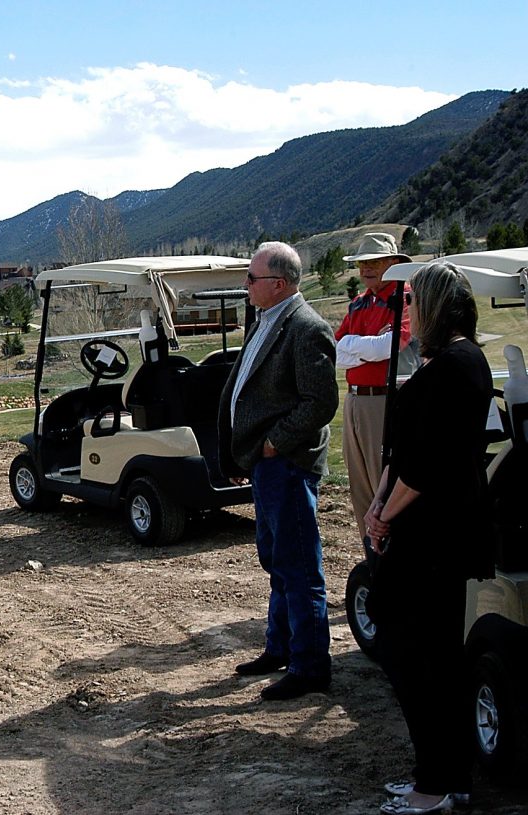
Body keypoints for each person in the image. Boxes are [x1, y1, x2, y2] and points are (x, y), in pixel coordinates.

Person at [364, 261, 494, 815]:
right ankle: (446, 776)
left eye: (414, 301)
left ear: (437, 306)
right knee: (429, 654)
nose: (409, 311)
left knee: (418, 659)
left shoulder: (456, 367)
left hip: (434, 535)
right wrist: (378, 501)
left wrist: (383, 516)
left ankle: (434, 785)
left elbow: (426, 466)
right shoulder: (449, 362)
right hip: (427, 529)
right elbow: (404, 452)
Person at [219, 242, 339, 701]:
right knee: (277, 561)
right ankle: (281, 647)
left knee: (299, 567)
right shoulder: (266, 320)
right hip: (266, 464)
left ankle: (310, 666)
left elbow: (320, 403)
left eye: (252, 278)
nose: (246, 285)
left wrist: (274, 443)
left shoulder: (307, 328)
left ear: (280, 284)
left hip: (287, 465)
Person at [335, 233, 414, 541]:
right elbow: (337, 352)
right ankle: (370, 552)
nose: (366, 269)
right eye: (362, 263)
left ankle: (391, 549)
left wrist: (355, 345)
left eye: (375, 262)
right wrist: (364, 346)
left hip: (384, 400)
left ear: (393, 263)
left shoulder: (405, 299)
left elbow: (391, 346)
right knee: (360, 487)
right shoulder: (359, 303)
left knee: (384, 483)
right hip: (355, 399)